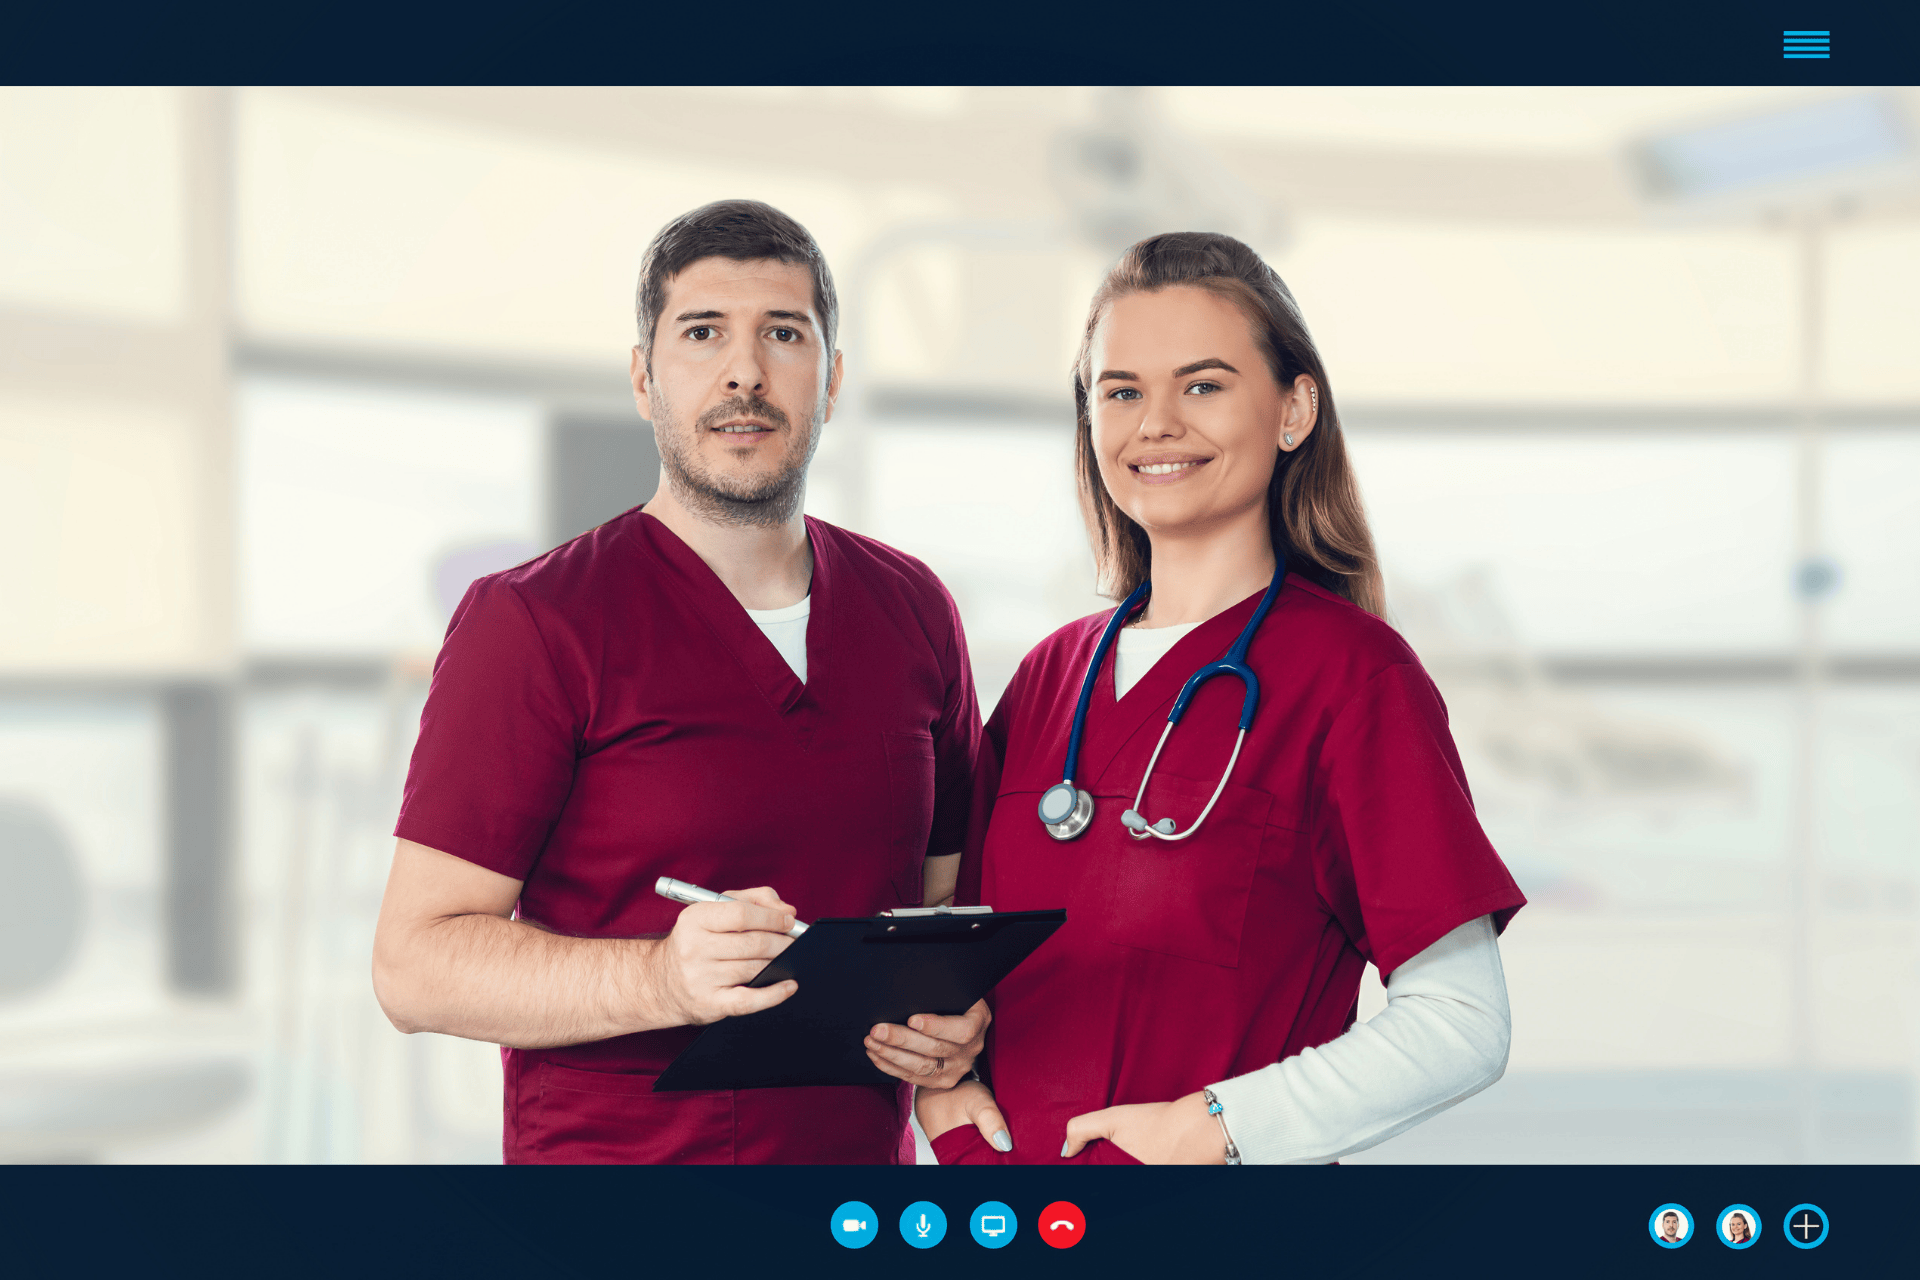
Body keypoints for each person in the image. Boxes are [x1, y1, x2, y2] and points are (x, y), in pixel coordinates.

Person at [372, 199, 989, 1164]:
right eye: (703, 333)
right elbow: (413, 968)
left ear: (830, 380)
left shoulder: (912, 607)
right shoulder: (535, 622)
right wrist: (662, 980)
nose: (744, 370)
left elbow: (944, 915)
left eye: (783, 334)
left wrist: (951, 1023)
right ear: (644, 378)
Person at [916, 231, 1527, 1165]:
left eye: (1201, 385)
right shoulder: (1048, 679)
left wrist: (1218, 1128)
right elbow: (953, 960)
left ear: (1293, 410)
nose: (1155, 423)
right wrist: (943, 1090)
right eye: (1121, 392)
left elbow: (1460, 1023)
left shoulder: (1357, 681)